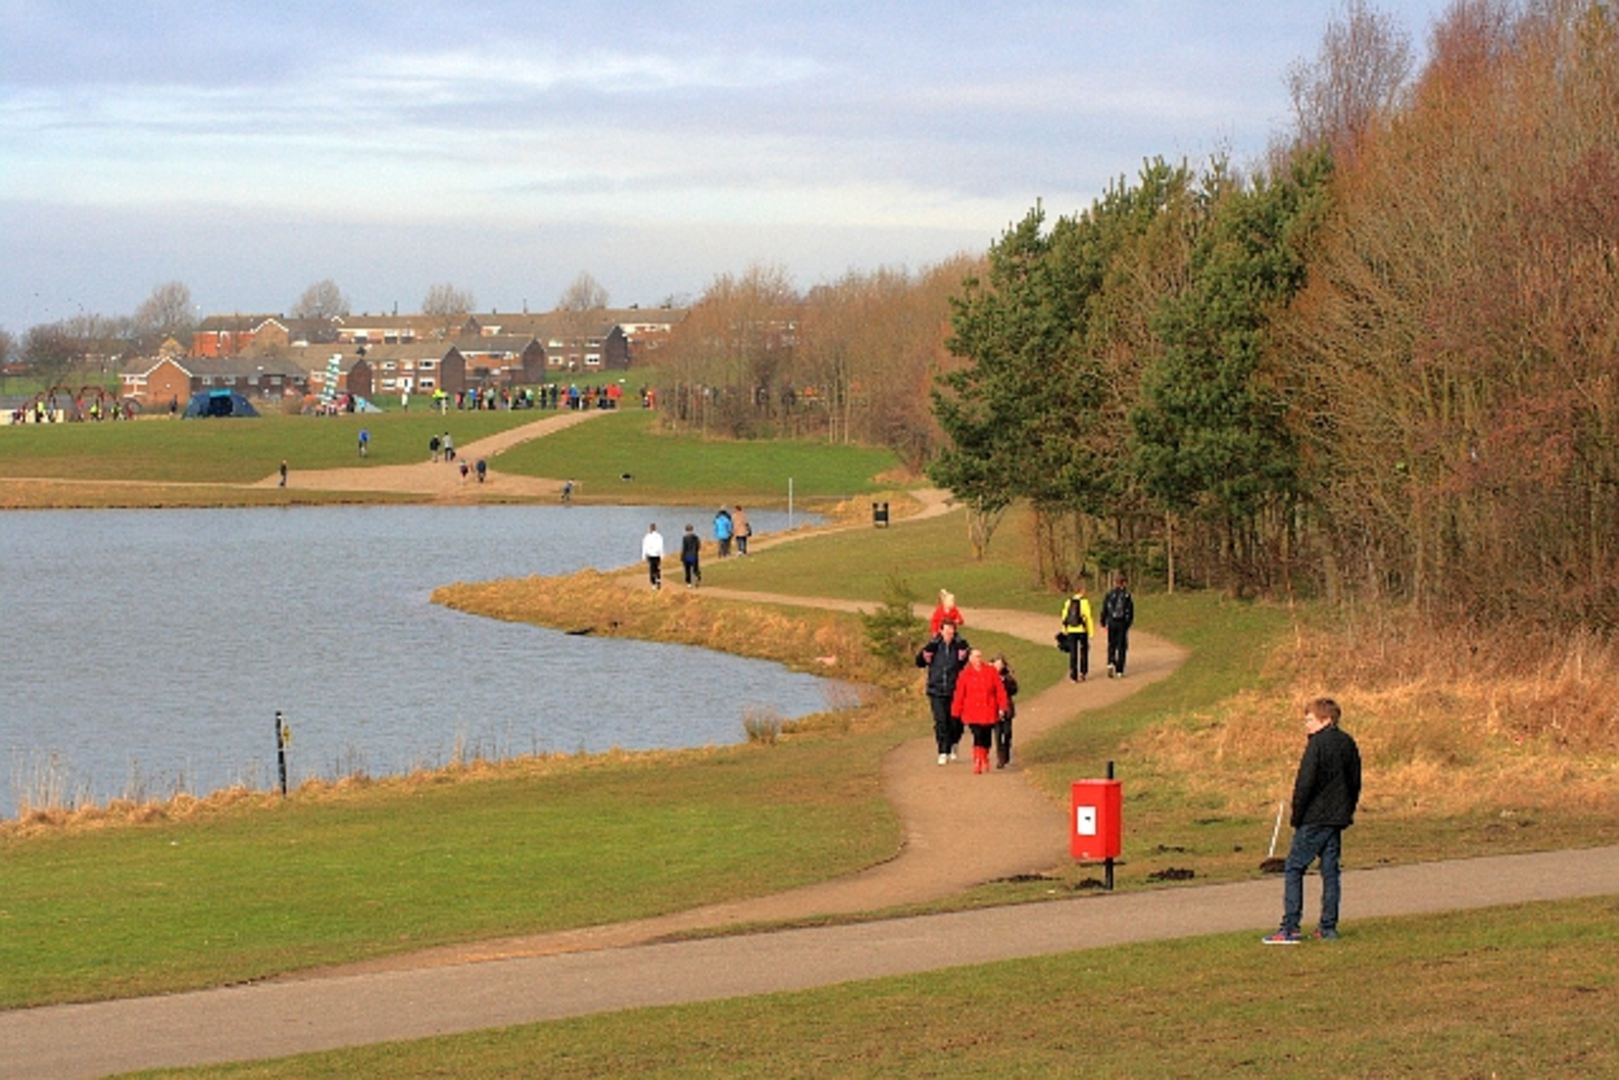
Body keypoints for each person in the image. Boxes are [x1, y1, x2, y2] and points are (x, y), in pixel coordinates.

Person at [1264, 697, 1363, 944]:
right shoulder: (1348, 742)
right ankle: (1328, 927)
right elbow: (1355, 782)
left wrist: (1297, 816)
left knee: (1294, 867)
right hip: (1336, 818)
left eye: (1310, 719)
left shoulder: (1317, 744)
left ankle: (1290, 927)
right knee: (1330, 871)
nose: (1306, 724)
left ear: (1326, 719)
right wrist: (1346, 811)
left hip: (1315, 818)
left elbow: (1305, 783)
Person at [915, 621, 970, 765]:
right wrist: (926, 651)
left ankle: (954, 744)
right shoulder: (934, 646)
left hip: (955, 690)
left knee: (956, 722)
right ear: (941, 631)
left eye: (952, 631)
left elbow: (965, 660)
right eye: (946, 630)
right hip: (936, 690)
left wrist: (964, 647)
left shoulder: (959, 647)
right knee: (941, 721)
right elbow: (920, 662)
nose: (949, 633)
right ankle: (943, 751)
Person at [951, 649, 1009, 775]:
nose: (978, 659)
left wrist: (1002, 707)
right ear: (970, 658)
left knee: (986, 737)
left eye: (980, 656)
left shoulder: (991, 671)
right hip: (972, 711)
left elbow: (1000, 690)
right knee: (977, 735)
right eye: (976, 656)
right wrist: (956, 712)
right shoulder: (965, 674)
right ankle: (977, 761)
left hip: (988, 709)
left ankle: (984, 755)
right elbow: (959, 694)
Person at [1101, 577, 1134, 678]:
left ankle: (1110, 662)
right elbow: (1130, 612)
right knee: (1121, 646)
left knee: (1111, 644)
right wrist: (1128, 624)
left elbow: (1105, 609)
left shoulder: (1109, 594)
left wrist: (1103, 622)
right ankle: (1119, 670)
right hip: (1122, 623)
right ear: (1124, 583)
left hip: (1111, 623)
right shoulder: (1127, 595)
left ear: (1115, 583)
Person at [1061, 584, 1094, 682]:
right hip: (1082, 630)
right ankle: (1083, 672)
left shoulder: (1068, 602)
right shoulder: (1085, 602)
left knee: (1073, 652)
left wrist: (1064, 630)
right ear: (1081, 591)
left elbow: (1064, 617)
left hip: (1071, 630)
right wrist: (1090, 632)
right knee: (1084, 650)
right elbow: (1088, 618)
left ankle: (1073, 674)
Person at [990, 654, 1018, 768]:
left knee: (1007, 732)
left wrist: (1005, 682)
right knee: (998, 734)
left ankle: (1006, 753)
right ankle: (1000, 758)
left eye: (1000, 664)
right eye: (996, 664)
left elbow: (1014, 690)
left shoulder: (1007, 676)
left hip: (1006, 708)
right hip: (994, 708)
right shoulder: (988, 676)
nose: (998, 667)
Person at [641, 523, 665, 590]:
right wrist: (662, 555)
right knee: (657, 568)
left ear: (650, 529)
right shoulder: (659, 536)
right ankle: (658, 581)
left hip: (650, 555)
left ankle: (654, 583)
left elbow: (644, 546)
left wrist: (644, 555)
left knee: (652, 569)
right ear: (655, 528)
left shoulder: (647, 536)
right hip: (657, 555)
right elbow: (661, 546)